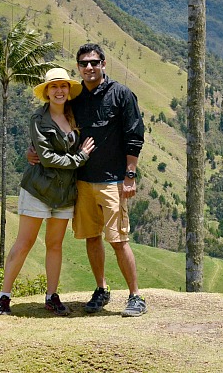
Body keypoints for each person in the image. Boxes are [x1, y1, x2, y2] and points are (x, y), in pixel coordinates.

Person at [29, 43, 147, 317]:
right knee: (91, 238)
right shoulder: (76, 98)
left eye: (94, 62)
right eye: (84, 63)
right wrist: (33, 150)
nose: (89, 67)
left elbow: (134, 135)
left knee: (118, 239)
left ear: (104, 63)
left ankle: (135, 296)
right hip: (81, 181)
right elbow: (54, 124)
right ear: (78, 68)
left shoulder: (121, 94)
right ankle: (101, 289)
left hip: (112, 180)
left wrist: (130, 175)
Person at [0, 68, 95, 316]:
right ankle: (4, 297)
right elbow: (47, 158)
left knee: (55, 244)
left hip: (64, 193)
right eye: (54, 87)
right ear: (47, 92)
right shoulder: (38, 120)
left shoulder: (75, 116)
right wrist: (79, 158)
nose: (59, 91)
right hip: (38, 189)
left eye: (63, 86)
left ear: (68, 90)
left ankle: (52, 296)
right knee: (25, 243)